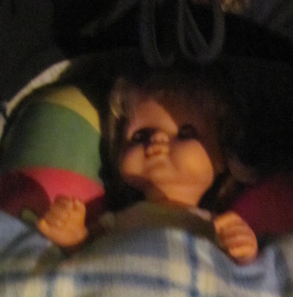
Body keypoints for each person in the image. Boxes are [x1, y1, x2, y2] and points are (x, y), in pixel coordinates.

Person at [37, 68, 259, 264]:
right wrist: (73, 237)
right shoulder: (118, 220)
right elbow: (88, 258)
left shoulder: (219, 226)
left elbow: (241, 278)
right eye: (140, 135)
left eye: (185, 133)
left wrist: (244, 251)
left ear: (223, 157)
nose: (157, 138)